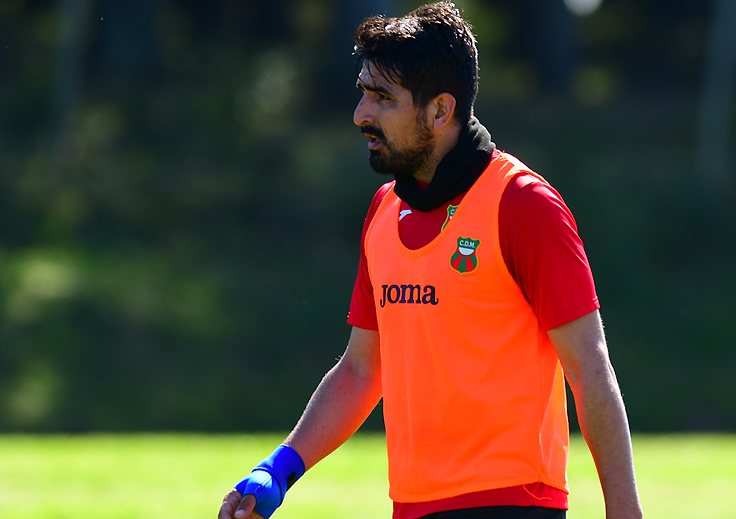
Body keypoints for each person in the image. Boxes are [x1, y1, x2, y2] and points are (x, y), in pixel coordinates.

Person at [219, 2, 643, 518]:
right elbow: (361, 370)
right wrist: (279, 468)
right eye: (363, 93)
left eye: (383, 98)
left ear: (441, 111)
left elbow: (589, 369)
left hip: (512, 504)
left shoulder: (523, 204)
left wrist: (625, 511)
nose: (361, 115)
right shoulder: (384, 210)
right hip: (413, 507)